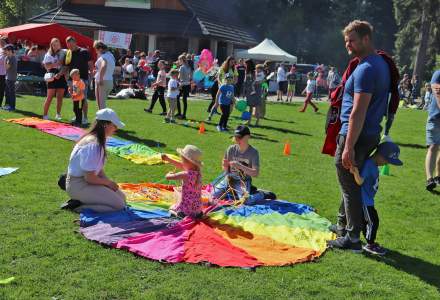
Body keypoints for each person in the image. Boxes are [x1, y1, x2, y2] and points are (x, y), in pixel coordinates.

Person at [327, 20, 391, 252]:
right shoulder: (379, 64)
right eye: (346, 41)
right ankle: (343, 226)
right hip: (369, 133)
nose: (348, 45)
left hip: (356, 134)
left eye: (352, 40)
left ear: (366, 39)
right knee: (350, 181)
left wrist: (348, 146)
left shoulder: (365, 69)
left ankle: (352, 238)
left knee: (349, 184)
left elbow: (358, 111)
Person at [65, 108, 127, 212]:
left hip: (86, 183)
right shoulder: (93, 144)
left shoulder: (97, 140)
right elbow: (89, 178)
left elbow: (98, 169)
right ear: (105, 125)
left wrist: (108, 183)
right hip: (78, 185)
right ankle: (77, 206)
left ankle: (83, 201)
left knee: (123, 199)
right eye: (114, 126)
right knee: (119, 206)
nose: (116, 129)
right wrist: (108, 183)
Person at [357, 141, 403, 255]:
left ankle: (368, 241)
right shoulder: (368, 164)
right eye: (386, 160)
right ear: (380, 155)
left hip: (369, 200)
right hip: (364, 201)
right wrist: (354, 172)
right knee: (373, 221)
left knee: (368, 221)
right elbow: (360, 181)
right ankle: (370, 244)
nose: (386, 164)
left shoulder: (374, 165)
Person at [212, 125, 276, 204]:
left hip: (243, 181)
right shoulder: (231, 149)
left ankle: (261, 194)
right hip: (229, 179)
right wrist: (225, 166)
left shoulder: (253, 152)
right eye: (236, 137)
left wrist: (240, 166)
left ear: (248, 137)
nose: (236, 140)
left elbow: (255, 173)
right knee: (212, 196)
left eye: (239, 137)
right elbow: (226, 170)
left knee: (246, 202)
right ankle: (241, 191)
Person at [162, 145, 203, 218]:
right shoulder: (198, 173)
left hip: (186, 210)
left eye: (182, 160)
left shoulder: (185, 174)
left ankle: (180, 214)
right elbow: (182, 165)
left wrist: (169, 174)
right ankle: (194, 214)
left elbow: (168, 177)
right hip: (197, 210)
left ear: (187, 162)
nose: (181, 162)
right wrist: (168, 159)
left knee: (171, 208)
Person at [65, 36, 93, 125]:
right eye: (68, 45)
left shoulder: (84, 52)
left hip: (83, 79)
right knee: (75, 98)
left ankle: (85, 117)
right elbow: (66, 66)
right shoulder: (68, 53)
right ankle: (77, 116)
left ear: (75, 42)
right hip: (72, 80)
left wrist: (91, 77)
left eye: (71, 45)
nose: (70, 47)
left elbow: (91, 65)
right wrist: (66, 79)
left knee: (83, 99)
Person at [42, 38, 67, 120]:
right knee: (50, 96)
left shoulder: (64, 52)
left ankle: (58, 114)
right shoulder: (48, 54)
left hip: (61, 75)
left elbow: (65, 66)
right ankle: (45, 115)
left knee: (60, 97)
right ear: (51, 45)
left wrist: (60, 73)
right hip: (51, 75)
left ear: (60, 44)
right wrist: (56, 64)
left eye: (57, 44)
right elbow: (46, 66)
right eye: (54, 45)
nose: (56, 46)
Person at [425, 70, 440, 191]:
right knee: (433, 146)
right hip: (435, 117)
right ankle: (429, 179)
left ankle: (438, 176)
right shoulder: (438, 74)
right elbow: (437, 92)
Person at [93, 41, 115, 109]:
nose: (96, 51)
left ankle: (101, 119)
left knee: (101, 105)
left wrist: (101, 78)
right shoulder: (111, 55)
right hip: (109, 81)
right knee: (102, 104)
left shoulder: (103, 57)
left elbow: (104, 65)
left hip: (102, 81)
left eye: (96, 49)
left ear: (100, 49)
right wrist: (97, 71)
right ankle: (102, 118)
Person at [243, 60, 262, 127]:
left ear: (248, 64)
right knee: (250, 107)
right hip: (249, 91)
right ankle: (249, 121)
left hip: (255, 91)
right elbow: (246, 82)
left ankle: (257, 122)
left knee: (257, 106)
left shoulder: (254, 72)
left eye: (245, 64)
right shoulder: (246, 71)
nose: (244, 65)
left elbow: (257, 81)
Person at [176, 54, 192, 119]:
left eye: (179, 60)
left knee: (177, 98)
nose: (178, 61)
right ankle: (183, 115)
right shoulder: (188, 67)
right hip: (187, 85)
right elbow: (190, 77)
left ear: (182, 60)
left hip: (182, 85)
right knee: (184, 100)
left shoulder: (182, 67)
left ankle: (180, 113)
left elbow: (180, 77)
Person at [2, 44, 17, 111]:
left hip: (11, 78)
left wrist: (4, 60)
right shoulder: (9, 57)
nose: (5, 52)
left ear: (10, 51)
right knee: (8, 93)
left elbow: (6, 67)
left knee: (11, 93)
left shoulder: (11, 58)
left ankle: (12, 107)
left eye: (6, 50)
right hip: (8, 77)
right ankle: (8, 105)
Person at [0, 36, 7, 108]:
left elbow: (3, 61)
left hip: (3, 73)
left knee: (1, 89)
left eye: (2, 42)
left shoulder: (6, 51)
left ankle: (0, 104)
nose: (1, 43)